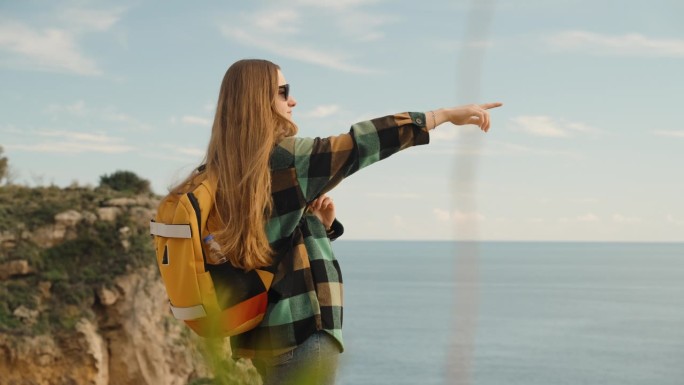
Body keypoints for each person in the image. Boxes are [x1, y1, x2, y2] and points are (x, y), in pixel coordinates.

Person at [168, 59, 502, 385]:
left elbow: (259, 249)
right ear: (259, 100)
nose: (292, 100)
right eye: (283, 91)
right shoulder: (285, 159)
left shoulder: (216, 175)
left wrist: (318, 226)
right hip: (302, 336)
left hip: (262, 338)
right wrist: (440, 116)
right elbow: (360, 144)